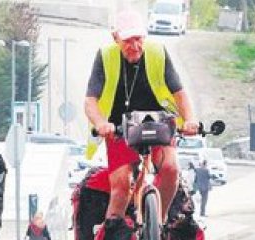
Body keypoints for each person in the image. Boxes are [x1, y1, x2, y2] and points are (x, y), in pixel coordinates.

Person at [84, 9, 199, 224]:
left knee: (171, 169)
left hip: (159, 124)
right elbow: (90, 100)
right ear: (115, 38)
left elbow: (179, 93)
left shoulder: (158, 53)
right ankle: (114, 235)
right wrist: (101, 123)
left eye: (138, 39)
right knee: (120, 186)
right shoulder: (105, 56)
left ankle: (159, 222)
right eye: (128, 40)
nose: (135, 46)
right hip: (120, 129)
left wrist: (190, 119)